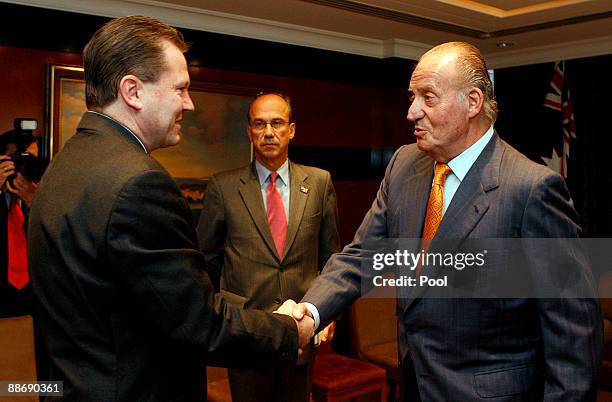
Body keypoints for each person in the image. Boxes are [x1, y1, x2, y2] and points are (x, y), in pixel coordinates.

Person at [292, 42, 602, 401]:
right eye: (412, 97)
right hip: (416, 385)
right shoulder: (404, 164)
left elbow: (574, 337)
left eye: (428, 97)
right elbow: (365, 254)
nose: (411, 112)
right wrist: (309, 313)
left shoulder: (531, 189)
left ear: (472, 102)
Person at [27, 16, 313, 402]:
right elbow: (197, 321)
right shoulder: (138, 182)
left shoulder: (66, 164)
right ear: (133, 91)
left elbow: (154, 296)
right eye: (180, 89)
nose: (190, 104)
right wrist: (287, 330)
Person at [197, 92, 340, 402]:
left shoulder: (319, 183)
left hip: (300, 328)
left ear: (291, 130)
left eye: (277, 123)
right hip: (245, 330)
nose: (268, 132)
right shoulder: (223, 187)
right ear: (250, 132)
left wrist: (327, 312)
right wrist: (223, 312)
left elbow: (330, 256)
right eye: (259, 125)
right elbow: (207, 258)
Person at [0, 131, 39, 317]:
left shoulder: (41, 194)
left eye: (31, 160)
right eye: (22, 159)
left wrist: (35, 203)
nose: (26, 166)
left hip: (30, 300)